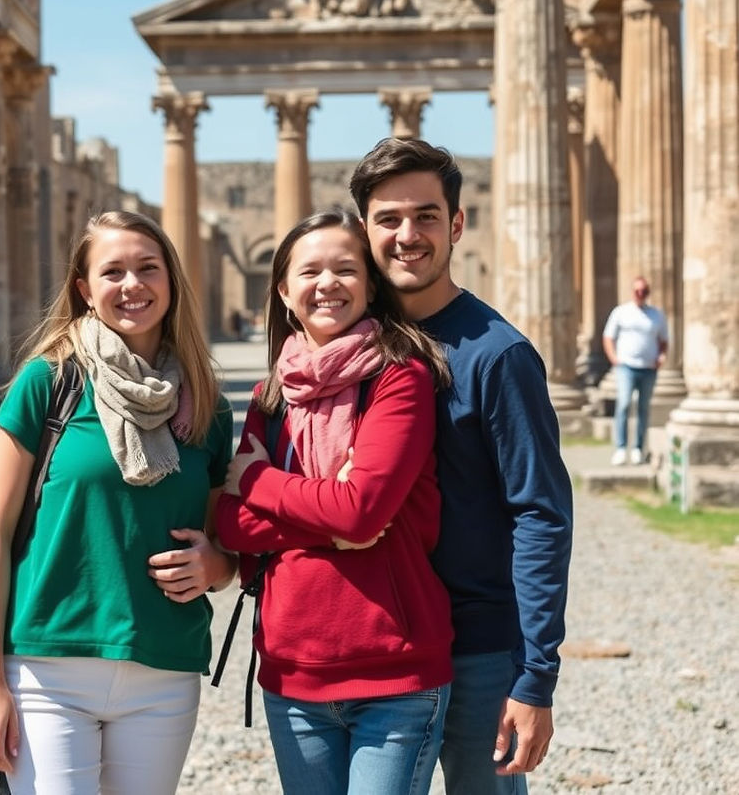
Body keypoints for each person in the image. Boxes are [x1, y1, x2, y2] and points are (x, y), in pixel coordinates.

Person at [0, 210, 236, 795]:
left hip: (164, 667)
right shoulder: (48, 382)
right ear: (85, 290)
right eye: (112, 272)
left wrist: (217, 566)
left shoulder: (208, 405)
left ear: (171, 281)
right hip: (48, 667)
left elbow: (219, 540)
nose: (132, 285)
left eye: (148, 268)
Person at [349, 138, 573, 795]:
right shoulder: (349, 347)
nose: (406, 235)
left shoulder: (498, 356)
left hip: (477, 648)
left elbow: (541, 515)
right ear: (364, 229)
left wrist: (534, 678)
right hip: (381, 639)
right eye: (388, 219)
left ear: (456, 225)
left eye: (424, 216)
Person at [215, 209, 454, 795]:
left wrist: (258, 483)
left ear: (370, 284)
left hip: (394, 672)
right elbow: (227, 524)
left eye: (346, 269)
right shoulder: (272, 392)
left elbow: (360, 511)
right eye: (310, 271)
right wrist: (330, 516)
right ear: (284, 290)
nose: (328, 283)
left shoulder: (399, 377)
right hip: (291, 671)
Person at [602, 276, 668, 466]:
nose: (640, 294)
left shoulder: (656, 315)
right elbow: (608, 337)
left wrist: (662, 356)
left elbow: (664, 340)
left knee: (643, 408)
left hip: (648, 368)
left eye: (644, 291)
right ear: (632, 292)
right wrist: (614, 359)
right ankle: (621, 447)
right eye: (637, 291)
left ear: (648, 293)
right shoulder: (621, 312)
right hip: (626, 366)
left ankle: (639, 447)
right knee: (623, 404)